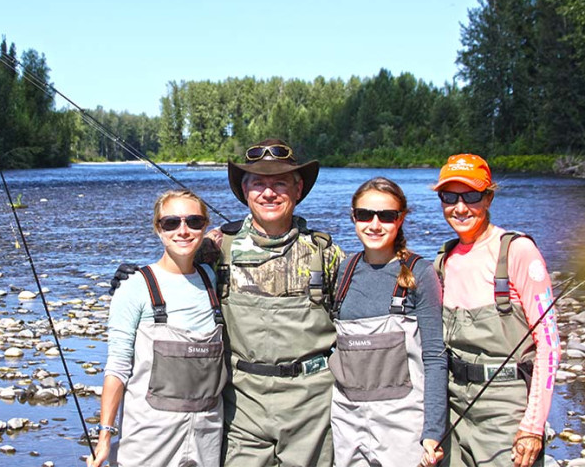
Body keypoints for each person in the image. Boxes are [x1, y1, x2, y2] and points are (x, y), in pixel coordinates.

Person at [215, 139, 344, 467]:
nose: (268, 193)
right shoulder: (216, 247)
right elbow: (177, 278)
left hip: (311, 407)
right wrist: (139, 280)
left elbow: (358, 320)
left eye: (279, 183)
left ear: (298, 189)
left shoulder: (325, 253)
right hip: (242, 405)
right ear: (245, 190)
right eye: (258, 183)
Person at [433, 154, 561, 467]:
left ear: (489, 197)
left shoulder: (517, 251)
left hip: (507, 408)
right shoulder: (443, 260)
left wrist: (532, 427)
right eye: (449, 197)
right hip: (453, 406)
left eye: (472, 196)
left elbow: (550, 345)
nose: (460, 207)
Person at [87, 189, 227, 467]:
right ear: (158, 228)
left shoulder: (212, 277)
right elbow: (117, 368)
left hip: (207, 434)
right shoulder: (134, 287)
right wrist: (104, 436)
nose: (183, 231)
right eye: (171, 223)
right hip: (149, 437)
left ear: (206, 227)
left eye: (194, 222)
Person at [328, 177, 446, 467]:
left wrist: (432, 433)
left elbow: (434, 357)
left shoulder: (422, 273)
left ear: (401, 218)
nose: (375, 224)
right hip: (347, 421)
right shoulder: (344, 270)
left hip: (404, 425)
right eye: (365, 215)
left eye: (387, 216)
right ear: (353, 217)